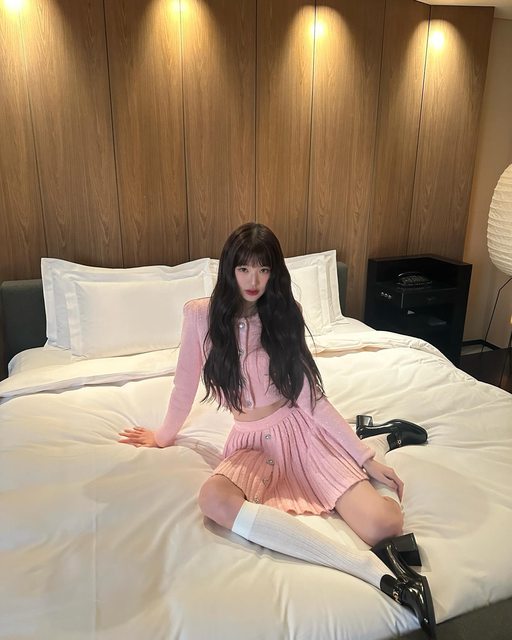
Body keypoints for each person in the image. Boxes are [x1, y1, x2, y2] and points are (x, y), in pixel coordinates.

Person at [119, 223, 436, 637]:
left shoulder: (285, 314)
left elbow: (311, 398)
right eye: (244, 269)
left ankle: (378, 438)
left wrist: (366, 458)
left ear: (275, 273)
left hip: (300, 434)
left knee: (384, 525)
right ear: (230, 269)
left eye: (264, 269)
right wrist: (164, 436)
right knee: (213, 499)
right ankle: (362, 566)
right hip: (251, 445)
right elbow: (184, 384)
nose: (254, 280)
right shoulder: (200, 315)